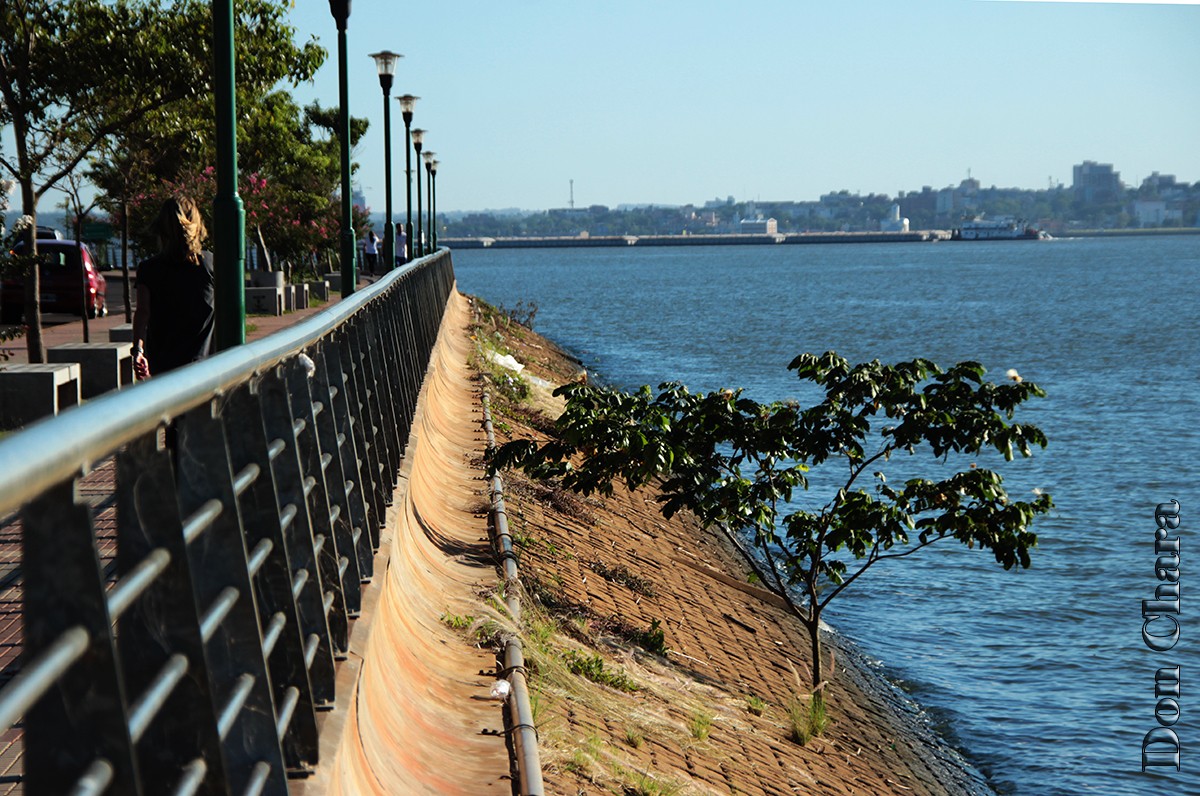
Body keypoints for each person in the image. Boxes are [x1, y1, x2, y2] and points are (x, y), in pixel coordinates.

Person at [132, 197, 214, 380]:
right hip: (204, 368)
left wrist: (138, 351)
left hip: (162, 370)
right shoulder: (210, 265)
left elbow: (143, 312)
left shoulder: (148, 269)